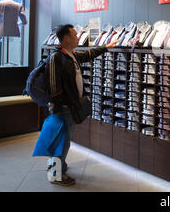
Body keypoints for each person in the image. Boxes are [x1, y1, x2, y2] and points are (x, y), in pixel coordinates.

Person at [46, 24, 118, 186]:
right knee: (62, 141)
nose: (78, 37)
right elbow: (53, 85)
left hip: (69, 107)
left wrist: (106, 47)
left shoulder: (71, 55)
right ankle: (56, 174)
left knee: (64, 140)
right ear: (66, 38)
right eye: (75, 35)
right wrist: (57, 107)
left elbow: (89, 54)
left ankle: (59, 165)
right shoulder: (56, 57)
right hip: (63, 108)